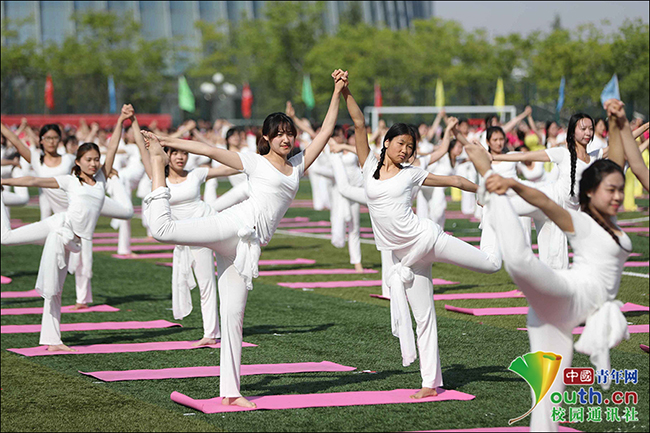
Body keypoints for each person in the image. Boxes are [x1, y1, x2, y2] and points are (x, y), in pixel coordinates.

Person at [139, 70, 347, 409]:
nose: (285, 138)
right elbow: (208, 148)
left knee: (233, 318)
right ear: (265, 136)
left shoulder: (298, 165)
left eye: (289, 133)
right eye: (278, 133)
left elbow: (324, 132)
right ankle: (158, 172)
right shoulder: (253, 161)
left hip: (247, 249)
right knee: (162, 230)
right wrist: (167, 144)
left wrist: (337, 91)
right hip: (232, 226)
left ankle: (232, 393)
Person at [340, 79, 501, 400]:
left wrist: (485, 190)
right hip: (404, 256)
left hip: (426, 239)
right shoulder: (368, 165)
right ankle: (431, 382)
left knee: (492, 265)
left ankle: (497, 221)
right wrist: (343, 91)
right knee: (424, 317)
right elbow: (358, 123)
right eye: (401, 143)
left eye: (410, 147)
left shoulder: (411, 173)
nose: (406, 150)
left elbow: (453, 179)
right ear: (386, 143)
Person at [463, 140, 631, 432]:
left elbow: (618, 162)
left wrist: (620, 125)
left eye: (620, 190)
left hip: (557, 318)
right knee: (519, 261)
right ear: (590, 192)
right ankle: (486, 174)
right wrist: (509, 184)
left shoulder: (609, 222)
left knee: (548, 396)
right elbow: (543, 202)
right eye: (610, 190)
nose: (617, 196)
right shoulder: (582, 221)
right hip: (568, 294)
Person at [1, 105, 129, 351]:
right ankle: (53, 340)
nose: (93, 164)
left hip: (74, 239)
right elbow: (34, 180)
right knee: (10, 242)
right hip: (59, 229)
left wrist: (121, 119)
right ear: (78, 162)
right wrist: (4, 180)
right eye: (88, 160)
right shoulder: (70, 180)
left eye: (96, 160)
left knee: (56, 287)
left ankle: (52, 340)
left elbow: (111, 146)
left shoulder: (101, 179)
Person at [139, 140, 242, 346]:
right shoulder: (159, 179)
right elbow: (145, 155)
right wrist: (132, 122)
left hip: (206, 226)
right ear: (166, 155)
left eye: (184, 153)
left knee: (207, 282)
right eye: (175, 153)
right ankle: (212, 332)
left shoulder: (195, 174)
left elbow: (225, 170)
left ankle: (211, 333)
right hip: (186, 235)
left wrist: (257, 162)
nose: (180, 157)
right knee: (205, 282)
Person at [485, 113, 603, 269]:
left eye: (590, 129)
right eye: (583, 129)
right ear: (573, 131)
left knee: (555, 264)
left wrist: (646, 127)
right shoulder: (562, 153)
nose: (588, 132)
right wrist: (494, 158)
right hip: (547, 199)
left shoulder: (595, 156)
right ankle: (488, 255)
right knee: (499, 207)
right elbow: (526, 155)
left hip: (558, 213)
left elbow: (621, 148)